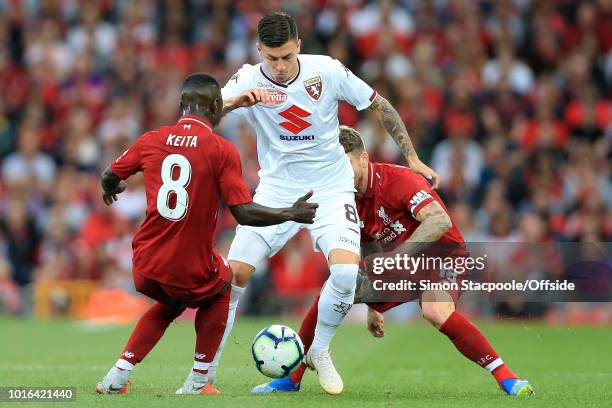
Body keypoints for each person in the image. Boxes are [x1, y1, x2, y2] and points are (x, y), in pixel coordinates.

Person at [209, 11, 440, 395]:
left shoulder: (327, 71)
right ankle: (204, 377)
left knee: (347, 275)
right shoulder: (247, 77)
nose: (279, 66)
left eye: (286, 56)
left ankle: (319, 349)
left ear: (299, 45)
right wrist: (236, 101)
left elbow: (379, 104)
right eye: (271, 58)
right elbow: (206, 110)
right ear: (258, 51)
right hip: (277, 189)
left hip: (331, 188)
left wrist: (411, 156)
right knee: (233, 276)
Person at [252, 126, 534, 397]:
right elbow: (364, 246)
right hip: (398, 265)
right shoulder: (344, 198)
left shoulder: (398, 180)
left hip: (443, 256)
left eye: (343, 163)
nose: (336, 171)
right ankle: (293, 379)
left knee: (435, 310)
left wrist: (397, 257)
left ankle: (506, 376)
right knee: (336, 286)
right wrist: (375, 304)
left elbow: (439, 220)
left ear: (363, 158)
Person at [94, 73, 318, 395]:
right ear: (216, 106)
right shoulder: (221, 149)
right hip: (186, 265)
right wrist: (289, 213)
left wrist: (111, 188)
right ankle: (199, 382)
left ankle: (117, 376)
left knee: (171, 304)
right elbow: (244, 212)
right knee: (224, 287)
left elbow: (107, 176)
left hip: (144, 262)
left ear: (182, 105)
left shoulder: (151, 139)